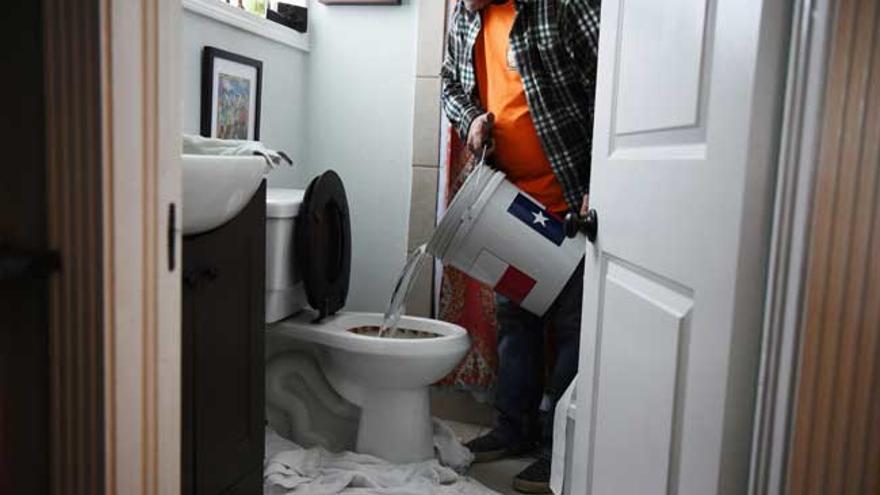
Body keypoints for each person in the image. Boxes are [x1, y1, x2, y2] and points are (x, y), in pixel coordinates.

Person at [441, 0, 599, 492]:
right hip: (511, 203)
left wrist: (607, 176)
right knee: (516, 320)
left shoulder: (564, 6)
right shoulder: (466, 17)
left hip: (574, 196)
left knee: (576, 328)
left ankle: (558, 451)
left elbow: (617, 83)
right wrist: (470, 118)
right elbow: (449, 83)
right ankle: (514, 429)